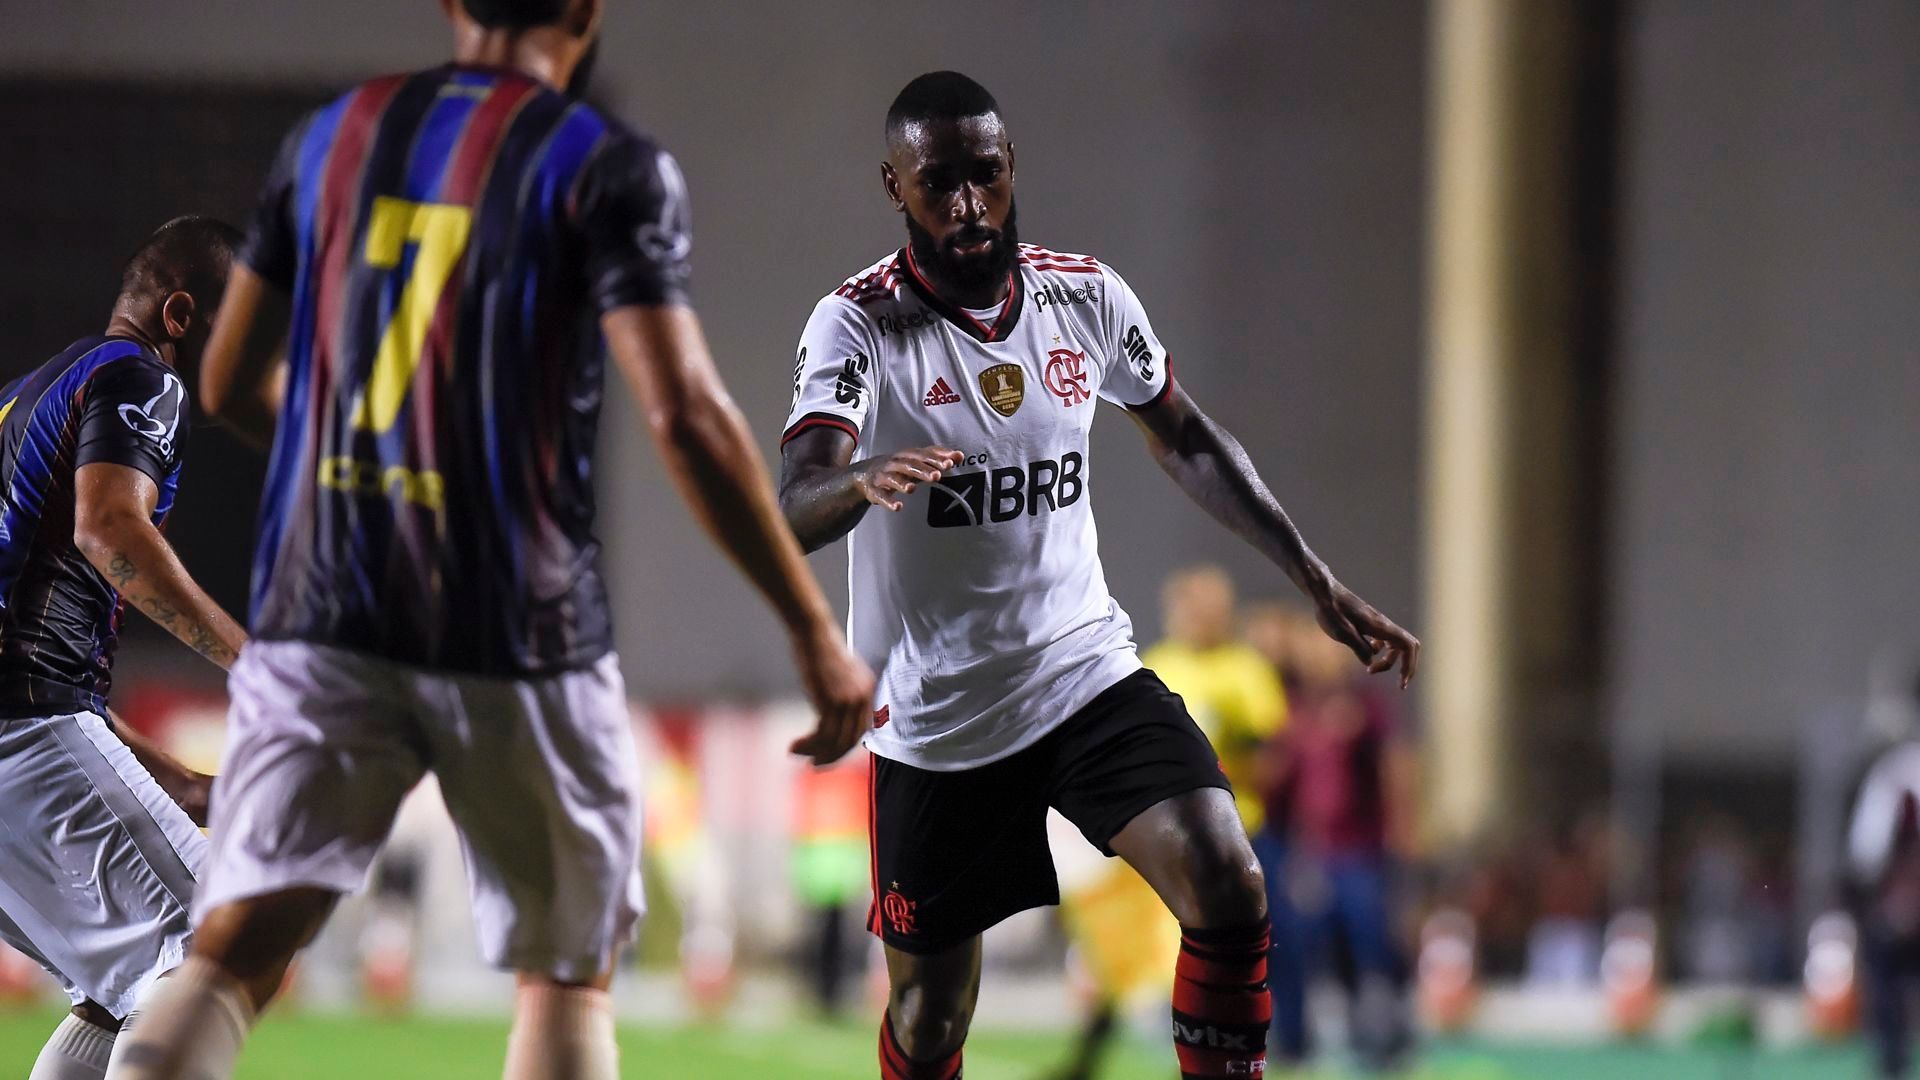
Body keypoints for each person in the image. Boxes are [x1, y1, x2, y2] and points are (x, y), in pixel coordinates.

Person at [109, 2, 872, 1078]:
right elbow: (687, 414)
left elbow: (228, 379)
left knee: (233, 954)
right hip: (520, 622)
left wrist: (358, 447)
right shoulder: (602, 162)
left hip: (325, 610)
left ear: (454, 3)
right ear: (586, 11)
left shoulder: (331, 135)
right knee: (566, 976)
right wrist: (808, 622)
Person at [777, 70, 1419, 1080]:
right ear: (894, 186)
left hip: (1082, 674)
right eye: (937, 182)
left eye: (984, 175)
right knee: (933, 1012)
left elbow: (1189, 439)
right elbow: (794, 502)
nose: (966, 204)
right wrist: (858, 477)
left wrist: (1314, 579)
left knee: (1227, 876)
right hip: (939, 720)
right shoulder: (857, 326)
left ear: (1010, 167)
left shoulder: (1085, 295)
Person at [0, 216, 247, 1080]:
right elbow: (110, 529)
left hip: (23, 738)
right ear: (180, 313)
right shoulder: (140, 376)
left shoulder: (27, 393)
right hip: (21, 735)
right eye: (241, 324)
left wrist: (193, 786)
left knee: (119, 990)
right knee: (226, 938)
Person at [1263, 625, 1419, 1071]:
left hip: (1361, 849)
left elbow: (1396, 767)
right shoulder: (1295, 713)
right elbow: (1283, 783)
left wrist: (1404, 832)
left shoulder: (1367, 708)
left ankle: (1391, 1033)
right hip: (1314, 852)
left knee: (1373, 941)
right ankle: (1340, 1034)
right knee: (1322, 945)